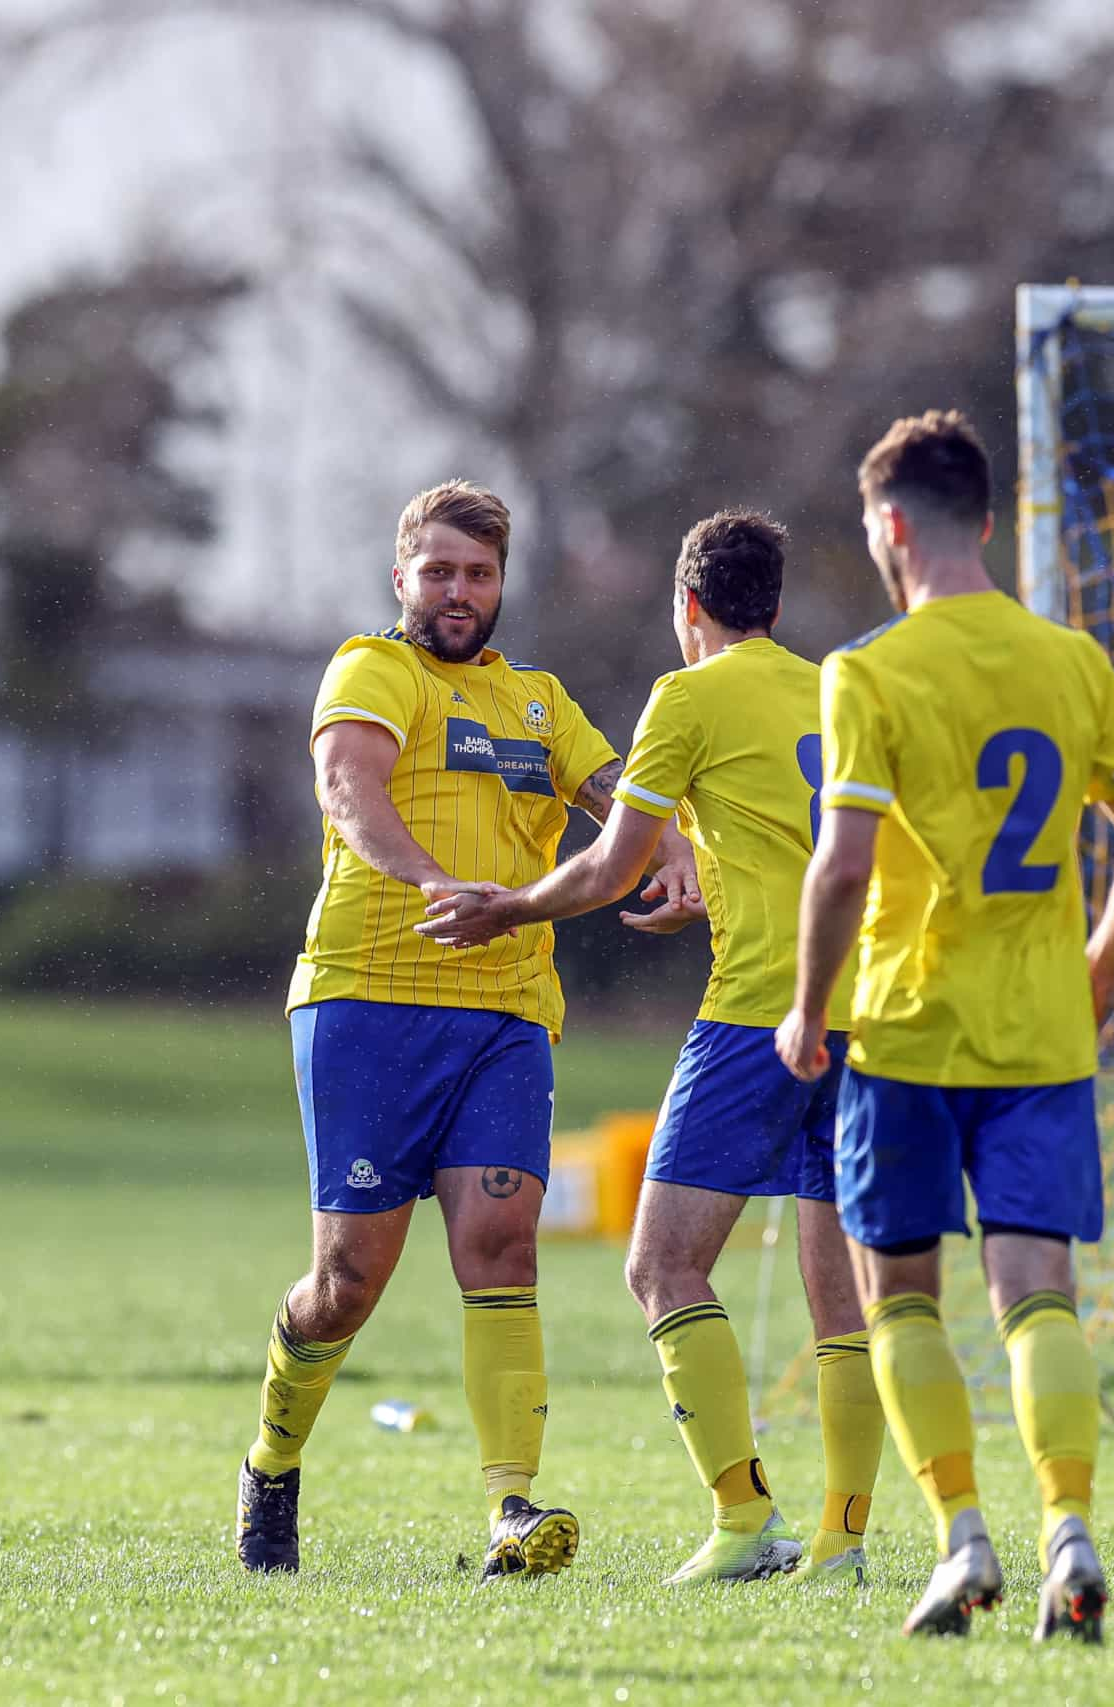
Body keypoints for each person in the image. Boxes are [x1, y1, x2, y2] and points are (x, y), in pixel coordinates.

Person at [232, 479, 699, 1580]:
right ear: (401, 578)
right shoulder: (371, 669)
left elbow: (616, 789)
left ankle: (511, 1509)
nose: (456, 590)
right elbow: (350, 792)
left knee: (501, 1245)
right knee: (348, 1282)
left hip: (505, 1011)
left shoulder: (536, 700)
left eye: (477, 573)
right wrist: (439, 882)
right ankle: (271, 1461)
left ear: (501, 584)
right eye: (436, 570)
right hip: (367, 997)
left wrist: (671, 841)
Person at [776, 411, 1114, 1641]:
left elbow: (841, 868)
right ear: (990, 522)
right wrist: (1101, 962)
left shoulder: (870, 671)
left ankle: (960, 1541)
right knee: (1036, 1294)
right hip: (1043, 1035)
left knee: (898, 1295)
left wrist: (804, 1005)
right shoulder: (1071, 662)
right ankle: (1069, 1530)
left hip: (903, 1029)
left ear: (889, 526)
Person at [421, 510, 884, 1588]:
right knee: (842, 1297)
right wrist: (709, 890)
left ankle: (740, 1520)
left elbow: (610, 866)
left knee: (661, 1262)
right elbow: (811, 839)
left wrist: (511, 909)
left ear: (687, 607)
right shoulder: (839, 690)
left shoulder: (689, 694)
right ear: (773, 604)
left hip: (762, 1013)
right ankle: (843, 1542)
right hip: (876, 1015)